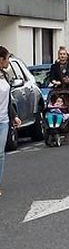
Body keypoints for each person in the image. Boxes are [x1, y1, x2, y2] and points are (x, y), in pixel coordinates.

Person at [0, 46, 21, 197]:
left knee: (0, 154)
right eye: (7, 58)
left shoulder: (4, 75)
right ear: (1, 60)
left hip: (3, 120)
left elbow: (8, 100)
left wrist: (14, 116)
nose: (8, 61)